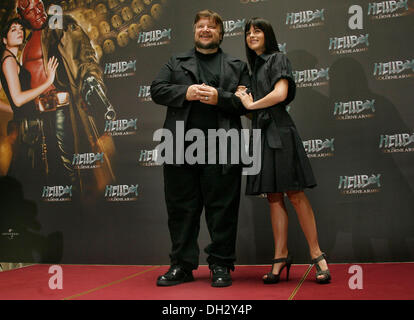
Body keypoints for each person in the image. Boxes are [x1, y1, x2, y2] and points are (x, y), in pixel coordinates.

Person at [150, 9, 250, 287]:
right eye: (200, 26)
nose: (205, 30)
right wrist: (186, 92)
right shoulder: (175, 62)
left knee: (223, 211)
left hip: (223, 147)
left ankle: (221, 265)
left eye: (212, 27)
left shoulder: (237, 65)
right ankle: (181, 266)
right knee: (181, 210)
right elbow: (157, 89)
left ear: (221, 33)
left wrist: (220, 97)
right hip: (179, 146)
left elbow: (248, 103)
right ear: (194, 32)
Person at [235, 17, 331, 284]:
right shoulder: (251, 68)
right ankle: (280, 256)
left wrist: (252, 106)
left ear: (268, 34)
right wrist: (244, 100)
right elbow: (252, 107)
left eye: (257, 31)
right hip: (262, 133)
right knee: (273, 197)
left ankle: (317, 254)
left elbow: (280, 93)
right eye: (248, 32)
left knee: (295, 193)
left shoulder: (278, 58)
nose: (252, 35)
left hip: (280, 131)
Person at [15, 0, 115, 194]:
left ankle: (77, 213)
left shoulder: (60, 25)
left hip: (61, 110)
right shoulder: (24, 43)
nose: (38, 11)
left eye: (39, 5)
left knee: (70, 173)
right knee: (45, 176)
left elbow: (84, 55)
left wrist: (91, 79)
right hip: (36, 116)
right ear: (21, 15)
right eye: (31, 10)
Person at [0, 17, 58, 183]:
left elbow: (15, 102)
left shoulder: (10, 59)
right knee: (29, 178)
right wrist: (48, 82)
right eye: (13, 29)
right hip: (27, 130)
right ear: (4, 40)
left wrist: (13, 109)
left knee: (25, 178)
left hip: (24, 125)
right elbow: (18, 99)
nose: (19, 31)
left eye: (20, 28)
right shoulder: (8, 61)